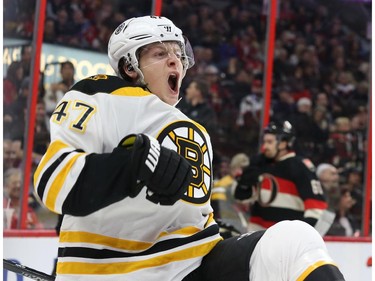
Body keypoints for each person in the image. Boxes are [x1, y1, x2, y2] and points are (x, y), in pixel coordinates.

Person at [34, 16, 345, 281]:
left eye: (178, 54)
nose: (175, 61)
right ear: (130, 67)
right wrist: (130, 164)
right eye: (159, 53)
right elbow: (54, 183)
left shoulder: (193, 128)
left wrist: (209, 225)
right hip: (118, 271)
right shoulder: (99, 93)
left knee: (294, 239)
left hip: (192, 264)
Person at [235, 120, 329, 231]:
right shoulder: (260, 163)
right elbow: (242, 200)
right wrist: (244, 185)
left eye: (270, 142)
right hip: (258, 236)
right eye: (264, 142)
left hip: (285, 239)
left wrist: (298, 234)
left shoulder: (300, 166)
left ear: (284, 143)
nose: (265, 147)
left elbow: (317, 207)